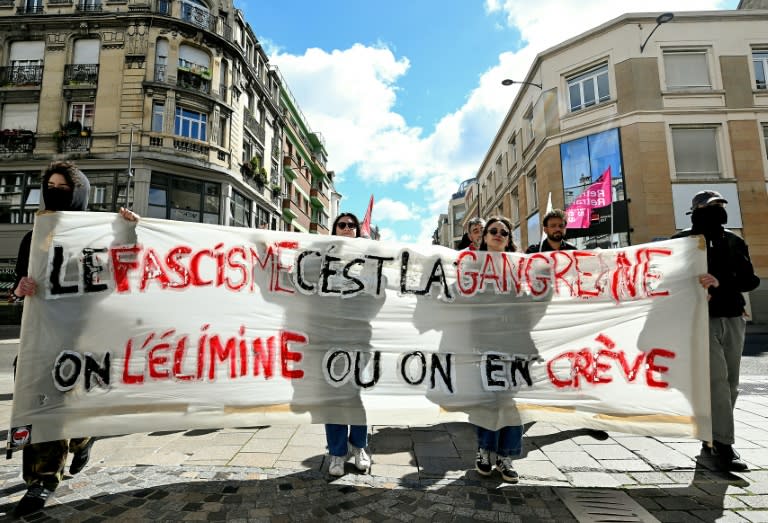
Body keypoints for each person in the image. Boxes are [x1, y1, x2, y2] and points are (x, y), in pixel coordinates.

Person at [12, 161, 137, 517]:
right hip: (41, 337)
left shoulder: (96, 234)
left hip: (84, 338)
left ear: (78, 193)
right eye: (49, 186)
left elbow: (123, 270)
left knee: (74, 406)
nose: (54, 192)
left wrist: (126, 232)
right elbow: (20, 284)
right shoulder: (34, 235)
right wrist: (21, 288)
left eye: (62, 188)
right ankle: (41, 481)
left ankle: (83, 438)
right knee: (42, 407)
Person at [672, 190, 760, 473]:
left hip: (733, 317)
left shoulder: (735, 241)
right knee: (717, 382)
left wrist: (721, 281)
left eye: (720, 207)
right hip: (700, 320)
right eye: (711, 208)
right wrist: (693, 290)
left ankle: (711, 436)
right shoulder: (681, 242)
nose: (718, 212)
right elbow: (666, 281)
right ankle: (723, 444)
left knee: (731, 383)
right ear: (696, 212)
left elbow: (750, 280)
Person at [472, 216, 523, 483]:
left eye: (504, 231)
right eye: (493, 231)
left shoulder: (520, 266)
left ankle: (506, 456)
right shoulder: (472, 267)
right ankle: (485, 450)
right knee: (490, 399)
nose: (498, 234)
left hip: (515, 342)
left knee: (511, 402)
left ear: (509, 238)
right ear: (484, 237)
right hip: (486, 342)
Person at [325, 212, 371, 477]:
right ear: (335, 229)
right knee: (335, 397)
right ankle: (336, 452)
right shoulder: (323, 257)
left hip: (360, 337)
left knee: (358, 397)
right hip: (330, 337)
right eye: (341, 225)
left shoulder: (368, 259)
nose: (347, 228)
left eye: (352, 225)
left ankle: (359, 447)